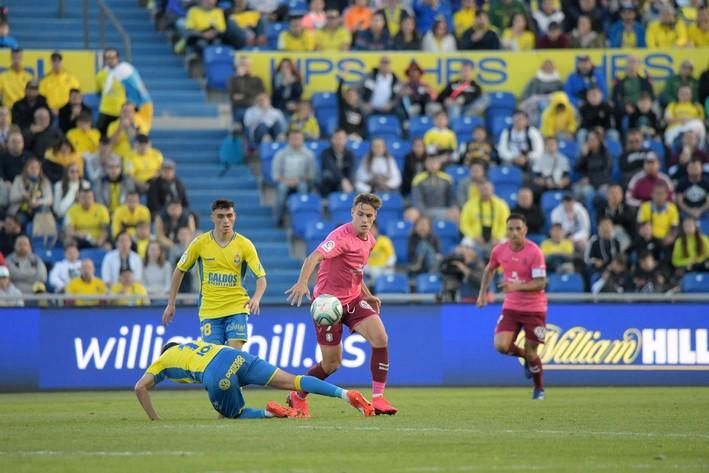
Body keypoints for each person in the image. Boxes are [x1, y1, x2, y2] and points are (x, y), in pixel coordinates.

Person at [285, 193, 397, 416]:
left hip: (354, 299)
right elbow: (313, 257)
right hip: (328, 304)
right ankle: (297, 396)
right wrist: (302, 283)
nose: (364, 220)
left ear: (375, 217)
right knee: (332, 364)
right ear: (352, 213)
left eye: (369, 216)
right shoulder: (340, 237)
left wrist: (367, 294)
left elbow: (356, 271)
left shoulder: (370, 240)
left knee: (380, 338)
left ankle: (378, 398)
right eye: (360, 214)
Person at [134, 339, 374, 420]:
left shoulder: (163, 360)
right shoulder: (193, 344)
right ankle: (345, 394)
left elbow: (140, 388)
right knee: (295, 380)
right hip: (234, 355)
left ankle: (273, 413)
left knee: (234, 414)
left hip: (216, 372)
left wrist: (155, 418)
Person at [162, 199, 266, 349]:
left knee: (234, 354)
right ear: (212, 217)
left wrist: (256, 298)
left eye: (229, 215)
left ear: (234, 216)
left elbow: (261, 278)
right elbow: (179, 270)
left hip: (236, 306)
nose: (226, 221)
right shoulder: (200, 243)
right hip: (210, 309)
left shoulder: (245, 245)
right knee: (214, 357)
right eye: (220, 216)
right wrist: (171, 304)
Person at [477, 213, 548, 401]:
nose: (514, 232)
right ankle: (526, 357)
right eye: (511, 229)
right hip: (511, 307)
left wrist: (516, 287)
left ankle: (539, 389)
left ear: (525, 230)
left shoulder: (534, 252)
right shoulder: (499, 251)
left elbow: (541, 283)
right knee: (501, 346)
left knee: (533, 351)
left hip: (535, 309)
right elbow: (489, 269)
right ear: (506, 230)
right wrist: (482, 294)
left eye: (518, 228)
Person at [271, 129, 317, 226]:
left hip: (301, 181)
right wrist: (286, 181)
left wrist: (298, 180)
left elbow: (311, 174)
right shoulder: (280, 154)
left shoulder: (309, 155)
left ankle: (301, 219)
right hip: (284, 181)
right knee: (282, 189)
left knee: (303, 188)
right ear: (289, 140)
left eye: (298, 138)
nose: (295, 141)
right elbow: (276, 175)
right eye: (293, 138)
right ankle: (279, 219)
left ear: (302, 140)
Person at [409, 152, 459, 223]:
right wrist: (425, 214)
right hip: (425, 211)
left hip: (443, 211)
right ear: (425, 164)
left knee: (456, 212)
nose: (432, 164)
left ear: (439, 164)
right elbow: (417, 201)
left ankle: (452, 233)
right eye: (430, 162)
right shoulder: (418, 179)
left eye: (435, 162)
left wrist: (453, 209)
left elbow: (452, 199)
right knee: (411, 214)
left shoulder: (447, 179)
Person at [460, 181, 510, 251]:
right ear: (479, 190)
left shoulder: (501, 204)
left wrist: (497, 237)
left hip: (496, 237)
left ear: (493, 190)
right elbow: (464, 224)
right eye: (483, 189)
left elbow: (506, 223)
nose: (485, 191)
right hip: (475, 236)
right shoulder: (469, 204)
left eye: (487, 189)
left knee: (508, 245)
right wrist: (474, 236)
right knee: (465, 243)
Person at [360, 56, 406, 128]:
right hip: (371, 108)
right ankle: (364, 137)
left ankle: (402, 136)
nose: (385, 65)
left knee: (401, 114)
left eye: (387, 62)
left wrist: (391, 104)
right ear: (379, 64)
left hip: (388, 108)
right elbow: (358, 91)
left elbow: (397, 98)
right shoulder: (370, 77)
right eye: (383, 62)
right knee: (362, 115)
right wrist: (364, 104)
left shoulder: (395, 80)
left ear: (390, 65)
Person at [611, 56, 654, 126]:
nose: (632, 65)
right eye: (629, 62)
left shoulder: (645, 80)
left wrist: (641, 106)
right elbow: (615, 98)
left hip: (642, 108)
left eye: (634, 62)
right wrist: (625, 106)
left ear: (639, 65)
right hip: (625, 109)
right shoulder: (619, 81)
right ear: (626, 65)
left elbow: (651, 96)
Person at [637, 183, 679, 252]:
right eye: (657, 193)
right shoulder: (644, 207)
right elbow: (639, 224)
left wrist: (671, 236)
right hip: (650, 238)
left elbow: (675, 226)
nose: (659, 196)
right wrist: (644, 232)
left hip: (666, 239)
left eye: (662, 193)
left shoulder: (672, 208)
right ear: (652, 194)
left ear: (666, 195)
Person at [519, 60, 564, 125]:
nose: (548, 68)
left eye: (550, 67)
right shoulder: (535, 80)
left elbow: (561, 94)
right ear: (542, 68)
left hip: (552, 101)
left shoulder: (558, 82)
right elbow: (526, 93)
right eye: (546, 67)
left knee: (543, 105)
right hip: (535, 101)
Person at [573, 129, 612, 201]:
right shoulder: (586, 154)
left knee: (596, 192)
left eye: (593, 140)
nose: (591, 142)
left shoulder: (606, 154)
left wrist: (590, 179)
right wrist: (583, 156)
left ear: (599, 141)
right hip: (588, 184)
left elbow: (606, 173)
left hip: (602, 183)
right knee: (580, 190)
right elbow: (576, 168)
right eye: (589, 140)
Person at [596, 184, 636, 251]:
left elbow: (627, 220)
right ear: (607, 195)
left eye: (617, 193)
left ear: (622, 195)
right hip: (607, 239)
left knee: (617, 229)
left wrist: (610, 220)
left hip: (627, 242)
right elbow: (601, 222)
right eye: (612, 193)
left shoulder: (628, 209)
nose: (615, 196)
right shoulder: (602, 209)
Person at [229, 56, 265, 124]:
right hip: (240, 109)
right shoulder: (233, 80)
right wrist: (241, 77)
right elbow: (233, 98)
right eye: (242, 64)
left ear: (250, 65)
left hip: (256, 107)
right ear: (237, 66)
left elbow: (261, 96)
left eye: (246, 64)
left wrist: (243, 96)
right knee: (245, 115)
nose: (244, 66)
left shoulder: (257, 79)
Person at [319, 129, 355, 196]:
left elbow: (351, 171)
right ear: (332, 139)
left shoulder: (350, 154)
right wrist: (343, 180)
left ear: (346, 140)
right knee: (327, 175)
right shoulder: (325, 153)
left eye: (342, 138)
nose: (340, 141)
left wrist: (348, 182)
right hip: (330, 185)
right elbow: (331, 168)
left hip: (345, 185)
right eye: (337, 138)